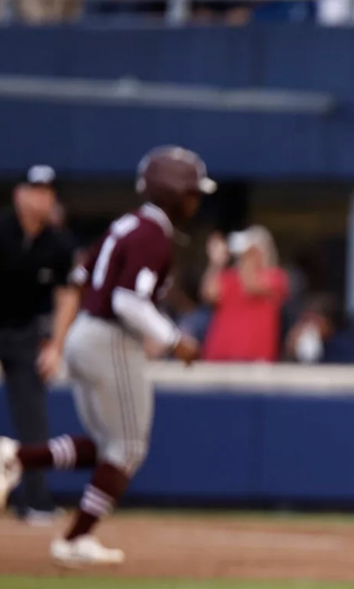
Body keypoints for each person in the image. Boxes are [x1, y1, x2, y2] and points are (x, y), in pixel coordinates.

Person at [0, 146, 210, 566]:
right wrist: (174, 339)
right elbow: (127, 300)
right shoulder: (151, 232)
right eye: (191, 192)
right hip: (111, 337)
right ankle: (75, 539)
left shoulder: (128, 225)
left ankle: (14, 456)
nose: (196, 201)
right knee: (129, 447)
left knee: (107, 446)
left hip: (86, 333)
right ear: (172, 191)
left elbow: (81, 277)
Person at [0, 165, 77, 524]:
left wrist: (56, 345)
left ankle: (35, 501)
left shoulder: (59, 243)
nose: (42, 198)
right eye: (35, 190)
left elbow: (67, 296)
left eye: (48, 192)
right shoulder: (1, 230)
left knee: (33, 418)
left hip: (26, 334)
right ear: (19, 194)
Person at [201, 226, 289, 363]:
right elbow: (208, 294)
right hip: (220, 356)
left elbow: (252, 286)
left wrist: (248, 256)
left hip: (256, 359)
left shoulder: (276, 277)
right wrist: (216, 263)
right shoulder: (230, 276)